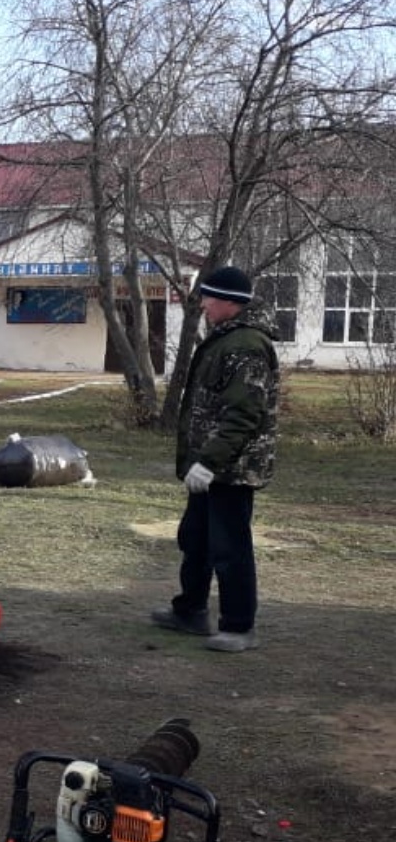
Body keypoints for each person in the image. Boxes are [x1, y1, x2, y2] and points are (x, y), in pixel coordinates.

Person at [151, 266, 280, 652]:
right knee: (196, 538)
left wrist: (210, 462)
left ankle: (239, 627)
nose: (203, 304)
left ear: (228, 301)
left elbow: (243, 414)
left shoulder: (246, 345)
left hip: (232, 469)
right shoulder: (226, 337)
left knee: (229, 547)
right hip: (209, 465)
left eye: (208, 297)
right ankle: (190, 611)